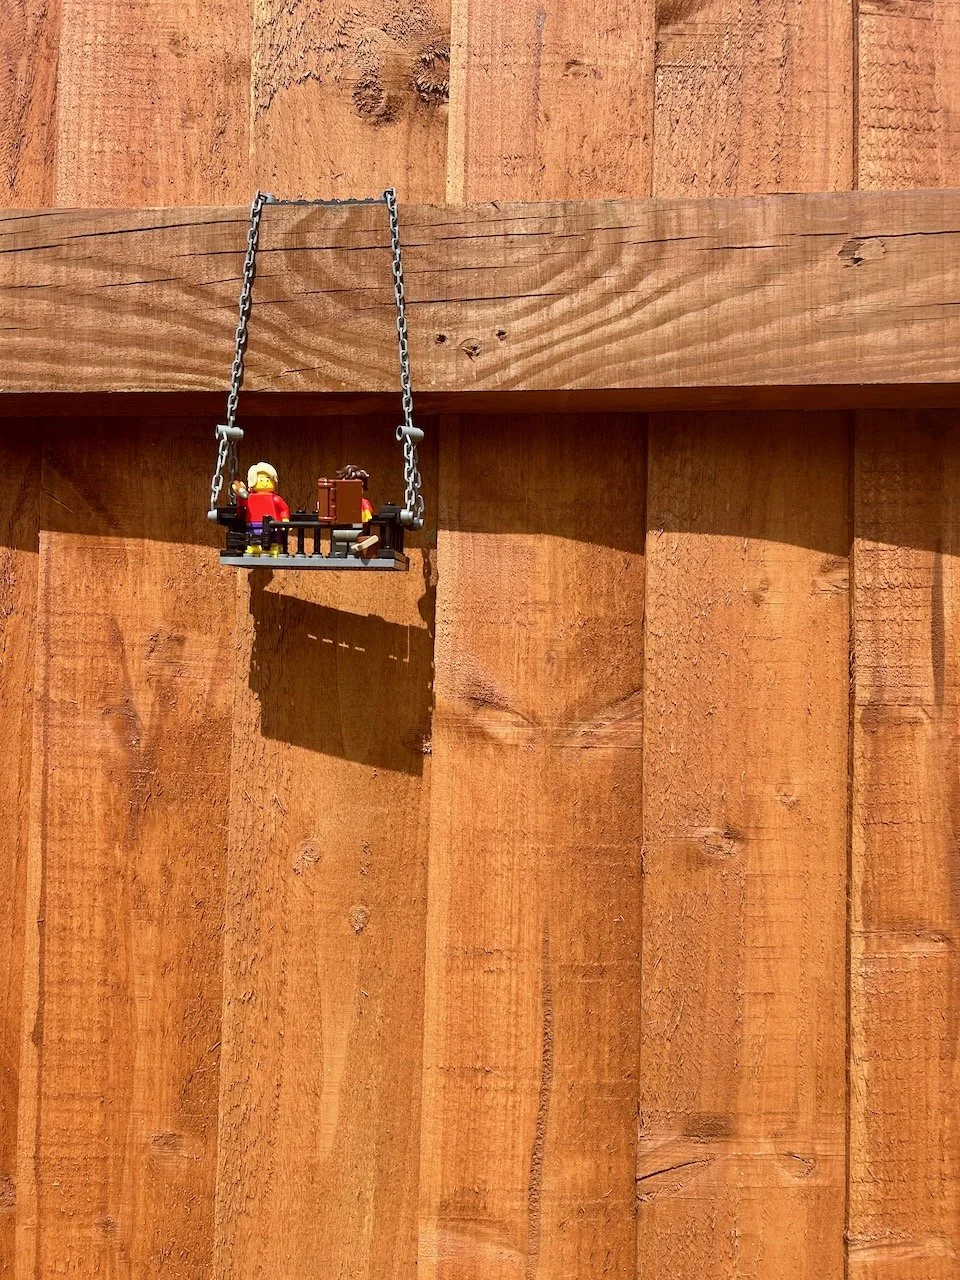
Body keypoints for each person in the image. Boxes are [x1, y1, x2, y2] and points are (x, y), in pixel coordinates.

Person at [231, 462, 291, 557]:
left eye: (268, 480)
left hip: (272, 524)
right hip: (253, 523)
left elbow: (283, 509)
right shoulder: (249, 497)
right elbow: (242, 502)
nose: (265, 483)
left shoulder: (275, 498)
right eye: (261, 480)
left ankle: (273, 548)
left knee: (273, 537)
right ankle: (254, 547)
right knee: (253, 536)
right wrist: (238, 493)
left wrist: (285, 519)